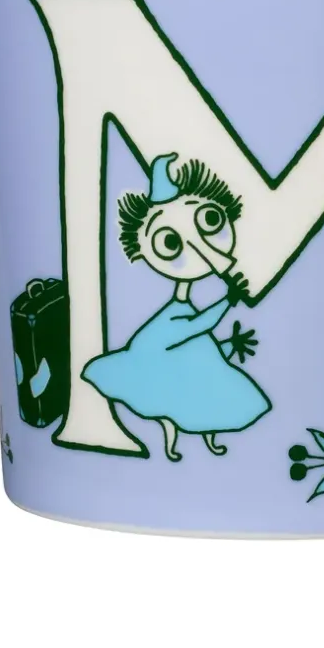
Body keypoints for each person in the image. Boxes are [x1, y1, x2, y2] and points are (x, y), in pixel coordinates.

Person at [82, 153, 270, 461]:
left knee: (206, 398)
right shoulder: (172, 317)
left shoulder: (181, 308)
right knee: (178, 407)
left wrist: (229, 343)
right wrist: (228, 299)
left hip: (177, 369)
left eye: (210, 220)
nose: (198, 249)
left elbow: (200, 348)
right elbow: (197, 328)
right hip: (153, 370)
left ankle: (201, 444)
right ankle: (174, 449)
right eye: (169, 242)